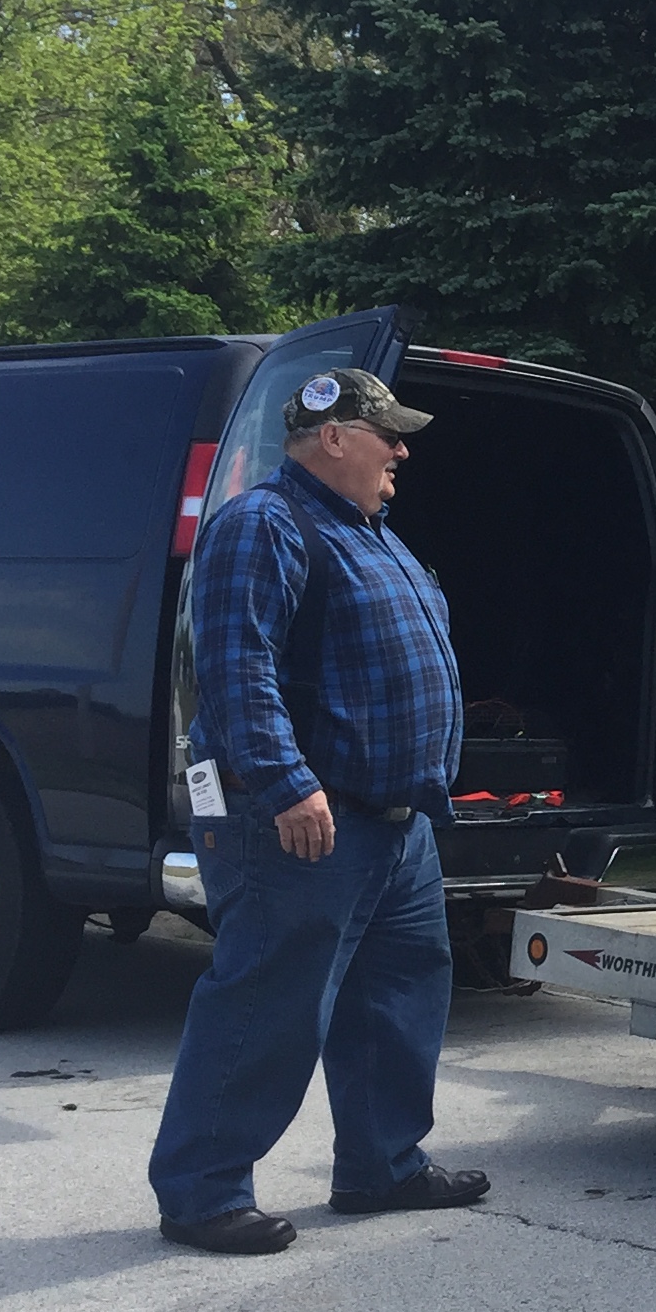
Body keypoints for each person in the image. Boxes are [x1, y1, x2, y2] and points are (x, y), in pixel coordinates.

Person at [147, 367, 488, 1254]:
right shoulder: (265, 523)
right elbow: (237, 664)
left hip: (394, 822)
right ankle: (201, 1192)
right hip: (303, 818)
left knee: (397, 995)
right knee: (268, 1000)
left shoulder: (370, 533)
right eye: (388, 433)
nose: (402, 450)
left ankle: (383, 1167)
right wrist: (286, 782)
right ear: (333, 437)